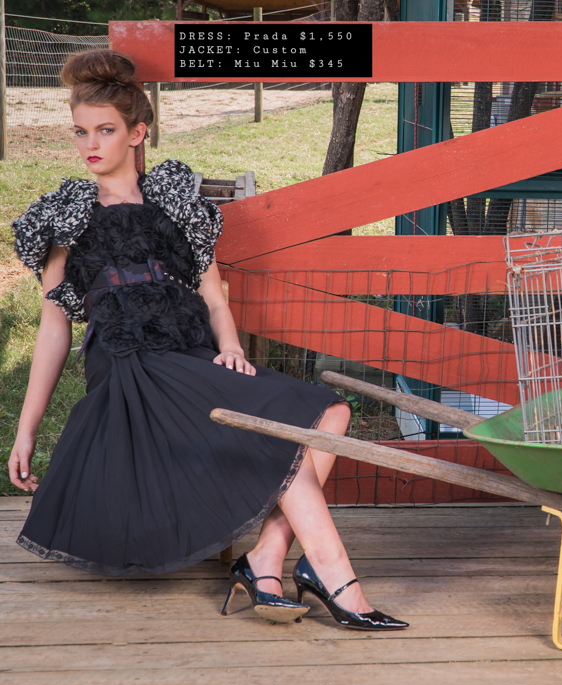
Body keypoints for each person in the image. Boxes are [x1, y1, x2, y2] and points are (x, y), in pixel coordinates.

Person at [6, 49, 406, 631]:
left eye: (105, 130)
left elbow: (214, 298)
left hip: (190, 354)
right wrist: (27, 428)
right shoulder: (66, 215)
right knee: (294, 431)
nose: (90, 144)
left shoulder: (177, 205)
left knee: (332, 413)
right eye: (81, 131)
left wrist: (232, 347)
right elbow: (53, 327)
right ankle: (335, 574)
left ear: (137, 133)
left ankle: (267, 558)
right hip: (128, 366)